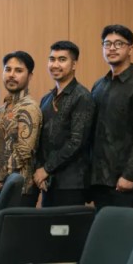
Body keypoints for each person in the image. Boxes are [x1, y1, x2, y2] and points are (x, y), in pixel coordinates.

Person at [90, 24, 133, 209]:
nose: (112, 48)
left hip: (125, 181)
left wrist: (129, 175)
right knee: (101, 227)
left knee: (125, 227)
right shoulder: (99, 85)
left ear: (130, 48)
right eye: (107, 44)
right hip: (99, 180)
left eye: (119, 43)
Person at [33, 41, 95, 207]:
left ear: (74, 64)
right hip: (48, 182)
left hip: (71, 184)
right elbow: (40, 140)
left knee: (68, 225)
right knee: (49, 224)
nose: (55, 65)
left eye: (62, 59)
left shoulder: (82, 97)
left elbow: (76, 142)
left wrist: (46, 169)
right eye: (52, 59)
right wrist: (40, 169)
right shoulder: (47, 99)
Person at [0, 51, 42, 206]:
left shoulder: (29, 107)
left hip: (21, 189)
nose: (11, 75)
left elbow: (23, 151)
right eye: (8, 69)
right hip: (4, 185)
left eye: (18, 70)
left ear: (30, 76)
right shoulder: (2, 109)